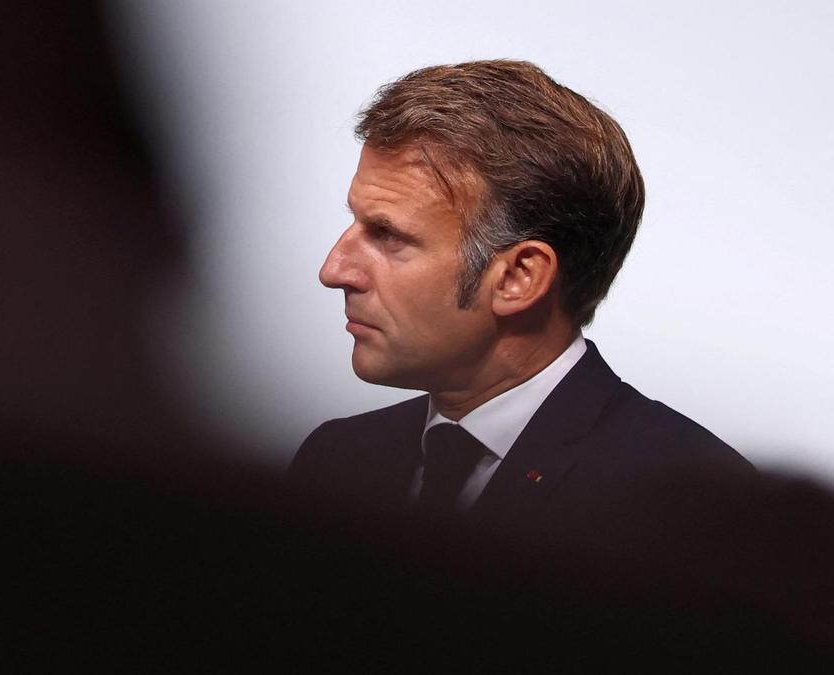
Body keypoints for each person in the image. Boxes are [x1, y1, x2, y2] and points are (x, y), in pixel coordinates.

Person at [290, 60, 752, 528]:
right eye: (354, 221)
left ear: (519, 278)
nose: (334, 270)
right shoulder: (334, 462)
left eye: (387, 235)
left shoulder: (694, 509)